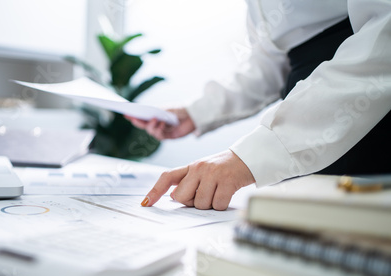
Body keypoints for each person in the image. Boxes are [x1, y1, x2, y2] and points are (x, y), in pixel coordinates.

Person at [125, 0, 391, 211]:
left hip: (363, 119)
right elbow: (271, 63)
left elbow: (384, 39)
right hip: (306, 123)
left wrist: (248, 157)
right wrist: (196, 112)